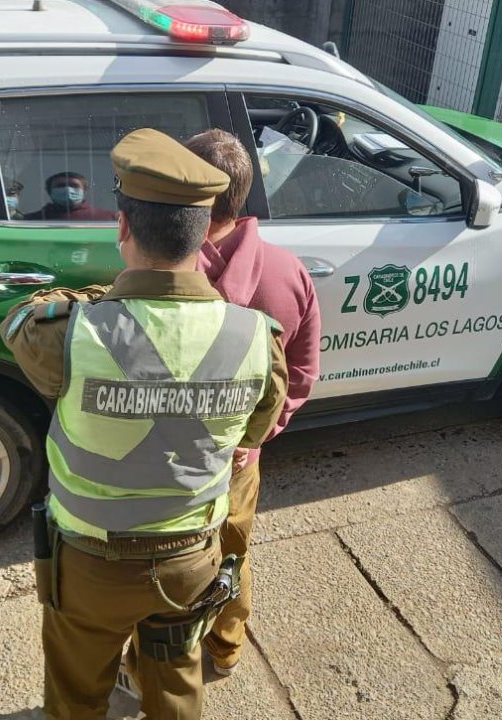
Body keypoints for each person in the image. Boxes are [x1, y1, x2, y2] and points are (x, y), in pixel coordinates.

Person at [1, 128, 289, 720]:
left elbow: (18, 322)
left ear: (124, 227)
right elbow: (253, 435)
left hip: (89, 567)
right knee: (176, 683)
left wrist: (106, 297)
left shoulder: (70, 335)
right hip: (191, 561)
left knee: (77, 694)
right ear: (209, 230)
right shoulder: (259, 339)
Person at [185, 128, 321, 677]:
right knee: (232, 553)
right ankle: (226, 646)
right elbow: (304, 371)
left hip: (168, 461)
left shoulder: (160, 274)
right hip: (241, 461)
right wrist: (255, 438)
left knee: (159, 561)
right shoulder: (289, 272)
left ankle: (160, 650)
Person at [22, 171, 118, 221]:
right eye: (60, 186)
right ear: (49, 191)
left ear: (84, 190)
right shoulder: (30, 220)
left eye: (74, 185)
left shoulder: (109, 218)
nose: (68, 189)